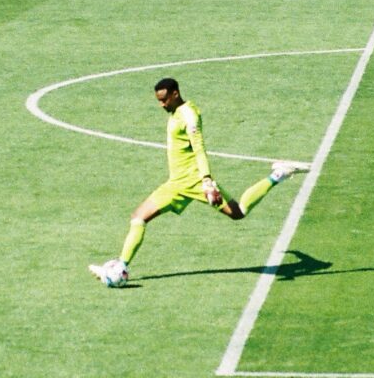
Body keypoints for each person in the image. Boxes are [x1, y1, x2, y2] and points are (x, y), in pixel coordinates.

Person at [88, 78, 309, 286]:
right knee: (138, 218)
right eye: (159, 101)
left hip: (194, 181)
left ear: (175, 94)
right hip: (176, 183)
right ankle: (121, 266)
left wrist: (207, 181)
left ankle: (278, 174)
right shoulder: (176, 111)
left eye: (164, 99)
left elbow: (199, 149)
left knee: (238, 212)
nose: (161, 105)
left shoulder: (189, 116)